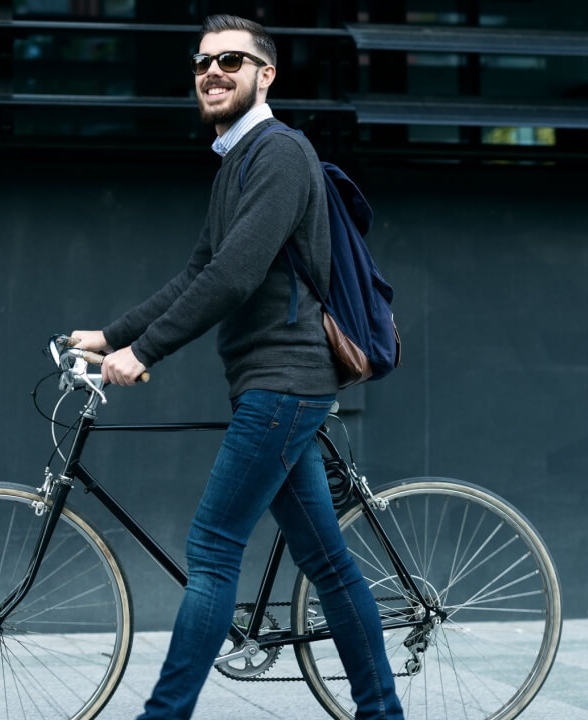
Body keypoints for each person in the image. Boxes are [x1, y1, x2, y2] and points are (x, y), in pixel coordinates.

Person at [71, 14, 405, 720]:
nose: (212, 72)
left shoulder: (280, 154)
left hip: (287, 383)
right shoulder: (236, 163)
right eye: (201, 62)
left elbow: (236, 276)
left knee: (214, 546)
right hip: (272, 386)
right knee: (331, 567)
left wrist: (144, 352)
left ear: (266, 74)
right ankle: (383, 713)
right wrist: (109, 334)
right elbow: (198, 273)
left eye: (231, 59)